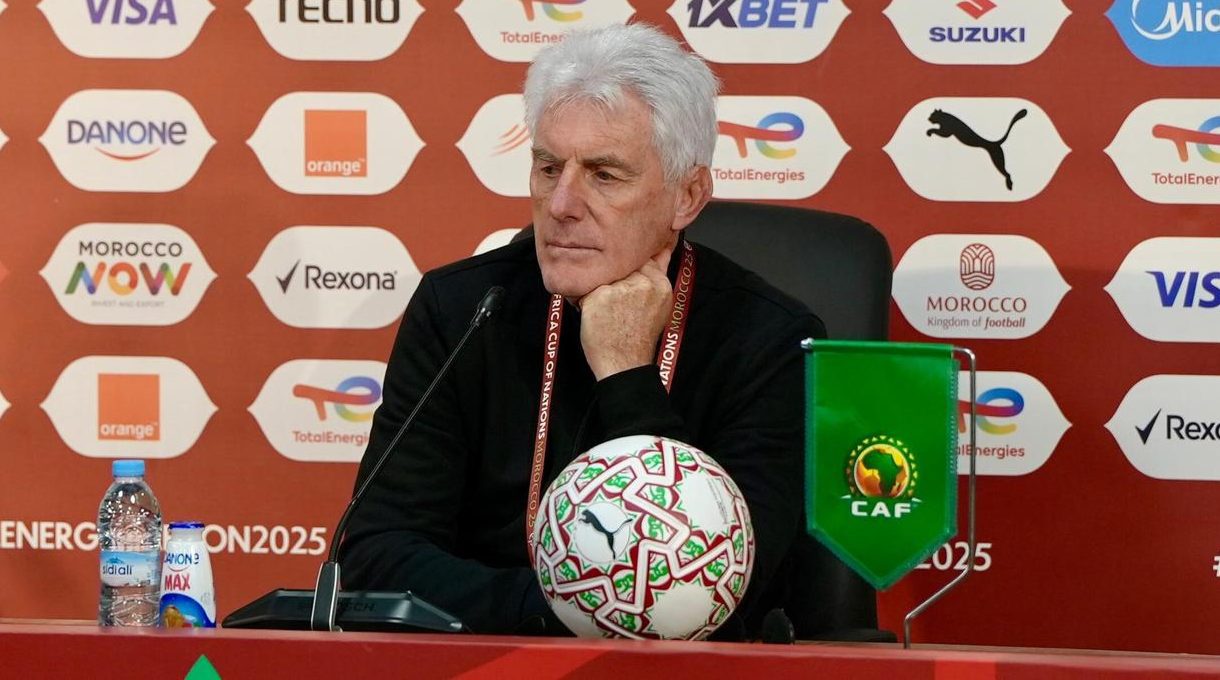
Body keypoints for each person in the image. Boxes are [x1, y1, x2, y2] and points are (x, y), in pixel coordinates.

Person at [338, 22, 826, 638]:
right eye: (548, 168)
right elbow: (376, 554)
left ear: (687, 195)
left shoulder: (770, 341)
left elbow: (713, 589)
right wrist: (561, 608)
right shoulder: (464, 310)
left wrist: (627, 373)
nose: (561, 204)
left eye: (604, 174)